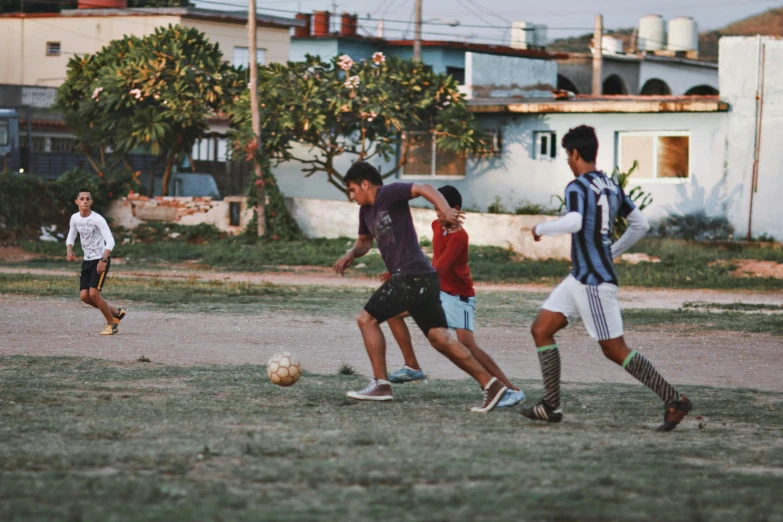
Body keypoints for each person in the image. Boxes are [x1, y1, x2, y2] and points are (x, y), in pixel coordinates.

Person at [519, 125, 693, 432]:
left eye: (567, 155)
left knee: (614, 349)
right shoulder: (611, 186)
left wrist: (540, 229)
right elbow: (640, 225)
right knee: (541, 329)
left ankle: (674, 399)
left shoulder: (577, 186)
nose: (568, 162)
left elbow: (574, 221)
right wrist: (611, 251)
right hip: (580, 277)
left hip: (593, 282)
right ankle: (551, 405)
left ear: (575, 153)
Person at [333, 162, 507, 412]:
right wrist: (351, 253)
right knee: (440, 339)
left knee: (366, 319)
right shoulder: (366, 211)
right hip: (422, 279)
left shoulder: (389, 193)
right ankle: (492, 386)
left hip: (412, 275)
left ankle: (381, 384)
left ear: (365, 184)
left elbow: (423, 187)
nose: (352, 196)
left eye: (352, 189)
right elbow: (364, 242)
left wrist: (444, 209)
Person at [384, 185, 526, 408]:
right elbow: (431, 262)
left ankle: (511, 389)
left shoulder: (460, 237)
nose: (437, 214)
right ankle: (412, 367)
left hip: (460, 297)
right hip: (440, 292)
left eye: (440, 210)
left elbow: (437, 269)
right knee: (392, 313)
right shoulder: (436, 226)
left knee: (467, 344)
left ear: (455, 209)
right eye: (435, 209)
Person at [66, 188, 126, 335]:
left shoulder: (98, 219)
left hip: (100, 260)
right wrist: (69, 250)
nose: (85, 201)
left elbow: (110, 240)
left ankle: (112, 324)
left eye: (88, 199)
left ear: (91, 201)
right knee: (84, 297)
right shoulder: (75, 218)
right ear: (77, 202)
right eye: (82, 199)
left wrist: (104, 259)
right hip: (87, 261)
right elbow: (71, 235)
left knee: (94, 294)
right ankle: (116, 312)